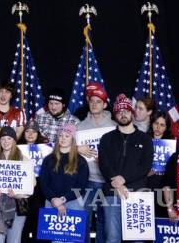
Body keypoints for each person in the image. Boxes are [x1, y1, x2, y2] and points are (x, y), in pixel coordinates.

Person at [98, 95, 153, 242]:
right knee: (112, 238)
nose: (123, 114)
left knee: (137, 240)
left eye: (126, 111)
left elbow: (145, 166)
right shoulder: (106, 138)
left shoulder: (145, 139)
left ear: (132, 113)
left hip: (138, 194)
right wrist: (117, 183)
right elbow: (104, 164)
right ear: (115, 115)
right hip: (112, 193)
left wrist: (123, 179)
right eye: (119, 112)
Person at [75, 84, 114, 243]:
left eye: (98, 101)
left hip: (107, 180)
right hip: (87, 178)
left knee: (104, 221)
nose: (94, 104)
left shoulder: (113, 126)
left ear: (105, 104)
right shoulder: (79, 126)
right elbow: (65, 149)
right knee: (84, 218)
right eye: (92, 101)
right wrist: (77, 148)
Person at [0, 127, 31, 243]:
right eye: (2, 139)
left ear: (14, 140)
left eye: (9, 138)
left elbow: (30, 186)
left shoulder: (24, 160)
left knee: (14, 241)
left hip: (17, 208)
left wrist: (18, 194)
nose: (6, 142)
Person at [40, 121, 89, 214]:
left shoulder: (81, 161)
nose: (63, 139)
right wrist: (53, 199)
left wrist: (63, 199)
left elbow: (81, 185)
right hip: (52, 202)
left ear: (73, 139)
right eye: (61, 136)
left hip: (73, 202)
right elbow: (44, 183)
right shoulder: (48, 159)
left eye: (67, 136)